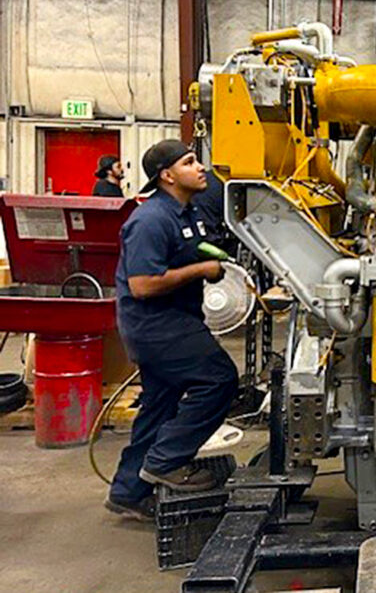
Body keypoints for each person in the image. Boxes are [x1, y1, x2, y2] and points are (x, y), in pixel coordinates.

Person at [105, 139, 239, 521]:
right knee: (219, 379)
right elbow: (143, 285)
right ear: (167, 175)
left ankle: (128, 491)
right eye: (190, 162)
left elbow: (198, 247)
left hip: (178, 320)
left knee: (160, 406)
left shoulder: (188, 211)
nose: (201, 168)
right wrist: (201, 270)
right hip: (156, 327)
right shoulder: (151, 220)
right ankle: (165, 461)